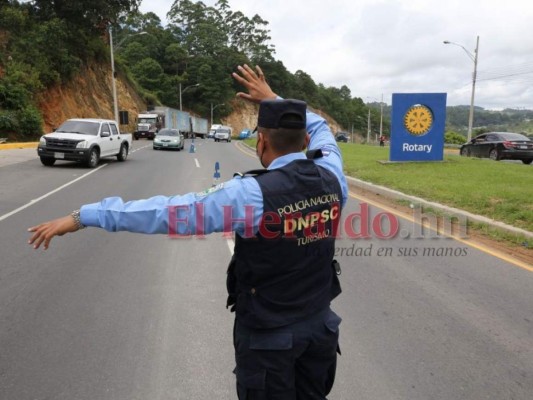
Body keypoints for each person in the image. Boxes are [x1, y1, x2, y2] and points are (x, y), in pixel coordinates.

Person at [28, 64, 348, 399]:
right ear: (306, 140)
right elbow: (321, 127)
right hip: (319, 331)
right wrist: (273, 99)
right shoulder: (332, 174)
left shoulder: (250, 194)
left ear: (261, 140)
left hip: (270, 341)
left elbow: (166, 212)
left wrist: (84, 216)